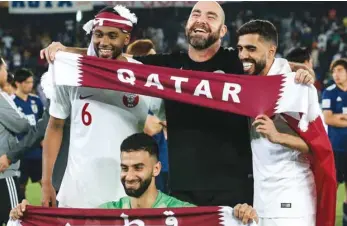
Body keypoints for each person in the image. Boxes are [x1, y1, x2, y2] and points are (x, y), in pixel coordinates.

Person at [41, 1, 314, 208]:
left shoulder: (237, 62)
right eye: (196, 13)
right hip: (182, 189)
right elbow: (113, 60)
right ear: (187, 23)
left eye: (211, 16)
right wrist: (65, 52)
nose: (201, 20)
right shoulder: (165, 67)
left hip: (234, 187)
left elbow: (272, 66)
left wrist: (299, 70)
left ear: (223, 30)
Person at [42, 6, 163, 209]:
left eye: (112, 36)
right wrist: (46, 182)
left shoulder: (143, 77)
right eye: (98, 35)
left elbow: (167, 121)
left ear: (126, 39)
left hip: (126, 194)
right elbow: (55, 126)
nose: (103, 42)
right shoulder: (72, 72)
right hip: (76, 194)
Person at [10, 133, 259, 225]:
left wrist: (240, 216)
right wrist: (26, 217)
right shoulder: (106, 215)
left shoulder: (182, 212)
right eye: (124, 167)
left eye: (138, 167)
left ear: (157, 168)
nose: (129, 176)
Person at [236, 19, 316, 226]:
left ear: (271, 52)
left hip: (291, 199)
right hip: (261, 199)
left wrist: (277, 136)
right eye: (240, 48)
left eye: (251, 48)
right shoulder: (246, 84)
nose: (243, 55)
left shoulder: (297, 86)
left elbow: (319, 146)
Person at [126, 39, 169, 194]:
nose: (156, 63)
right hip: (143, 165)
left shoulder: (157, 91)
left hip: (163, 164)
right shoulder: (131, 93)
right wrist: (162, 122)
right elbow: (150, 127)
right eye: (151, 59)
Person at [0, 56, 31, 225]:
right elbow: (22, 126)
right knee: (15, 221)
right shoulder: (1, 98)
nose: (7, 72)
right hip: (4, 173)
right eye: (4, 69)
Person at [321, 58, 347, 226]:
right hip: (336, 149)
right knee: (332, 188)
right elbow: (328, 118)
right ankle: (325, 221)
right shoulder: (329, 92)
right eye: (334, 71)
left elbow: (334, 117)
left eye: (340, 70)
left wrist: (341, 118)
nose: (336, 74)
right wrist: (337, 118)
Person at [12, 68, 44, 201]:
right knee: (20, 186)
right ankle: (20, 218)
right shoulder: (11, 102)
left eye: (31, 82)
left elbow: (44, 123)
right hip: (20, 153)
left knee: (46, 184)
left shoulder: (36, 101)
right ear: (18, 83)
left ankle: (51, 216)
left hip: (37, 152)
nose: (30, 85)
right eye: (27, 82)